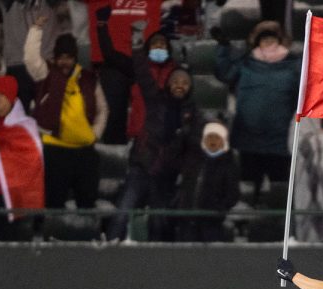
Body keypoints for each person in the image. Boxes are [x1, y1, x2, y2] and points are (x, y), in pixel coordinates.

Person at [106, 25, 201, 242]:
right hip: (142, 167)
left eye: (184, 83)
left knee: (159, 222)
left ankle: (157, 260)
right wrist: (138, 43)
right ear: (169, 83)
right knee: (123, 211)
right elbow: (141, 71)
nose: (179, 85)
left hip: (166, 175)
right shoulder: (156, 98)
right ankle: (110, 247)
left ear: (190, 87)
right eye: (176, 81)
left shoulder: (193, 114)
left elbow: (193, 148)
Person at [24, 17, 108, 211]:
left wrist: (95, 133)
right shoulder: (45, 74)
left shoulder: (88, 78)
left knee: (87, 203)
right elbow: (30, 58)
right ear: (55, 58)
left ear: (75, 58)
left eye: (69, 57)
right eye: (61, 57)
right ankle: (52, 239)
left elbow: (103, 108)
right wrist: (36, 29)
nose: (64, 62)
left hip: (85, 152)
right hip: (55, 151)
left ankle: (86, 239)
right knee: (53, 204)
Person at [214, 20, 300, 203]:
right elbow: (225, 73)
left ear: (280, 39)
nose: (267, 41)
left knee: (280, 191)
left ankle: (278, 228)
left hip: (280, 140)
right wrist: (222, 47)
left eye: (271, 37)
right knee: (248, 190)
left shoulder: (295, 64)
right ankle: (247, 225)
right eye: (263, 38)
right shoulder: (245, 62)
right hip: (249, 139)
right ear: (256, 41)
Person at [0, 75, 44, 241]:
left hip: (12, 202)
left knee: (8, 253)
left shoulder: (25, 127)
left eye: (1, 94)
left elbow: (32, 166)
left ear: (11, 98)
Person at [95, 6, 175, 144]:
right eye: (155, 45)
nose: (158, 48)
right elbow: (110, 54)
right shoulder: (139, 66)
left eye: (162, 46)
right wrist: (102, 25)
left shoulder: (175, 73)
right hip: (138, 134)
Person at [175, 121, 240, 242]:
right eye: (210, 137)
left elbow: (233, 194)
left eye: (217, 137)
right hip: (187, 221)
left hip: (211, 223)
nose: (213, 141)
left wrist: (218, 207)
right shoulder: (193, 160)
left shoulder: (228, 165)